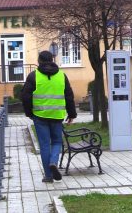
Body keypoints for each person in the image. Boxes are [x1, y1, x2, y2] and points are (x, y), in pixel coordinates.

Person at [21, 50, 77, 183]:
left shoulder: (33, 76)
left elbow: (25, 97)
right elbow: (69, 96)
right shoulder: (62, 76)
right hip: (57, 116)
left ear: (39, 61)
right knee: (57, 142)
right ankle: (53, 162)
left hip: (40, 116)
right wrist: (72, 114)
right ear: (52, 60)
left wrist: (29, 113)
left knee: (45, 145)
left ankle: (48, 175)